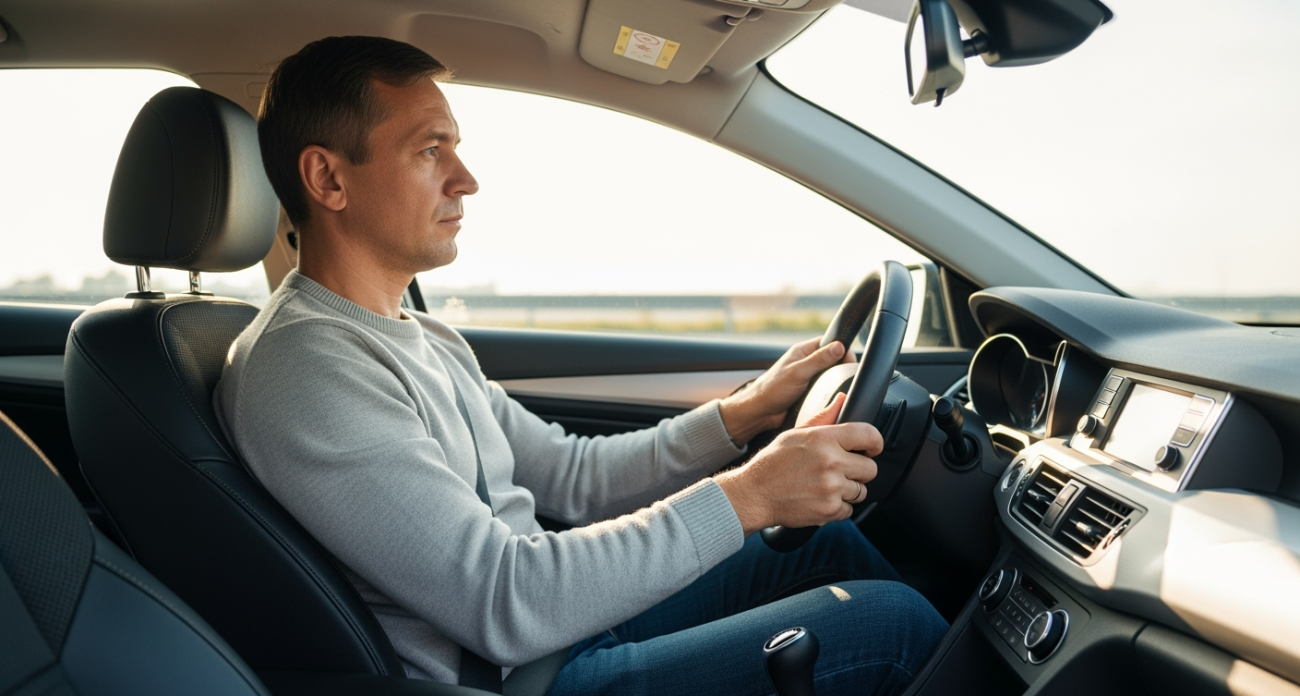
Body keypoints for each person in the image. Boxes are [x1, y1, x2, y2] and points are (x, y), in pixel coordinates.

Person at [214, 35, 946, 695]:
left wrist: (745, 412)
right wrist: (751, 496)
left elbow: (572, 475)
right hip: (518, 674)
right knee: (892, 626)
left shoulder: (423, 338)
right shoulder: (307, 366)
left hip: (556, 629)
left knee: (836, 544)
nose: (465, 179)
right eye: (430, 150)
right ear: (328, 180)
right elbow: (505, 601)